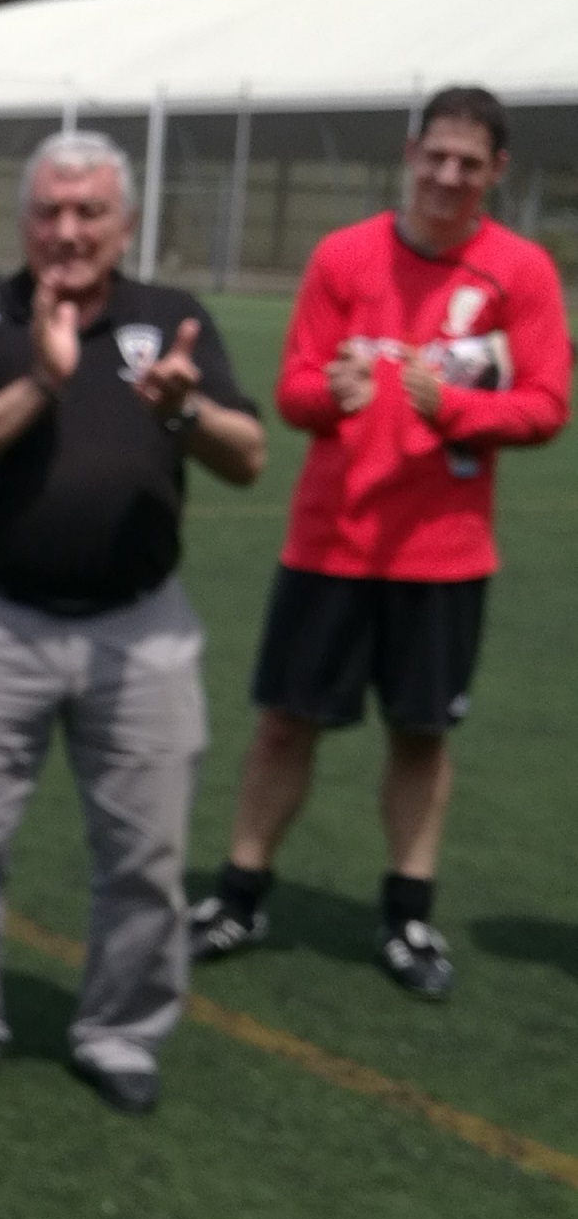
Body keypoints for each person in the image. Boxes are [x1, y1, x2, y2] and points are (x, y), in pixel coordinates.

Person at [0, 132, 266, 1115]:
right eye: (49, 212)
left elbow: (248, 456)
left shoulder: (171, 321)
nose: (67, 231)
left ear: (125, 223)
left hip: (140, 628)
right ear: (24, 221)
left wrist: (185, 411)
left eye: (90, 212)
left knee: (146, 854)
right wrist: (40, 380)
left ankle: (120, 1032)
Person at [189, 87, 570, 998]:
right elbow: (293, 392)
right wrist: (334, 394)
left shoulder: (520, 272)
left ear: (496, 172)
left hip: (443, 555)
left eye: (468, 163)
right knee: (285, 724)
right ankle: (240, 897)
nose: (448, 176)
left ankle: (407, 916)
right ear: (410, 153)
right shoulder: (343, 256)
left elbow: (547, 404)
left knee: (421, 736)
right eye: (435, 156)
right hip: (331, 544)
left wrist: (459, 410)